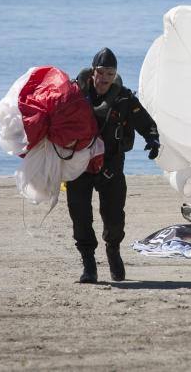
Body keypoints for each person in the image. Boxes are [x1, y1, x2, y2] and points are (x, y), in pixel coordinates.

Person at [66, 48, 161, 283]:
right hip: (79, 166)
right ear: (92, 72)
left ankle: (113, 251)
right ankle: (89, 264)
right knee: (80, 216)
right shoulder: (74, 95)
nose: (105, 78)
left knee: (114, 217)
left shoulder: (124, 98)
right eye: (101, 72)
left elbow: (145, 122)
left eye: (110, 73)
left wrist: (153, 140)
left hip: (111, 166)